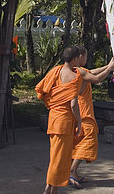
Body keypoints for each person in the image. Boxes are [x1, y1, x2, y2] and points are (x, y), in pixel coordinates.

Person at [35, 46, 83, 194]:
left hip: (54, 118)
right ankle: (51, 190)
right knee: (60, 159)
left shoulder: (56, 71)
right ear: (75, 59)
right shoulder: (74, 77)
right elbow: (74, 104)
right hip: (64, 122)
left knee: (56, 156)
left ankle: (49, 188)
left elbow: (42, 89)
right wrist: (79, 121)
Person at [69, 46, 114, 188]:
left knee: (77, 140)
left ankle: (74, 172)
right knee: (89, 139)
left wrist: (108, 66)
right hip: (83, 111)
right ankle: (72, 170)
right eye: (85, 56)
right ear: (79, 57)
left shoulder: (73, 70)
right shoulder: (80, 71)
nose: (86, 59)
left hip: (77, 110)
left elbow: (91, 73)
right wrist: (109, 70)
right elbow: (96, 78)